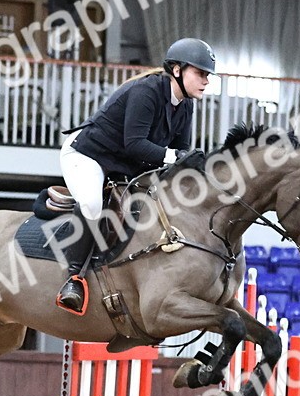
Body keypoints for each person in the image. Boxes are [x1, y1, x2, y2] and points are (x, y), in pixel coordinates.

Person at [54, 37, 216, 313]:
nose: (206, 81)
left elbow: (180, 151)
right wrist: (176, 157)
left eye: (207, 75)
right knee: (93, 205)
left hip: (125, 163)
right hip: (88, 155)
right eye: (200, 73)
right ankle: (73, 279)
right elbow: (136, 143)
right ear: (177, 70)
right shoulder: (146, 92)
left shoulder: (186, 105)